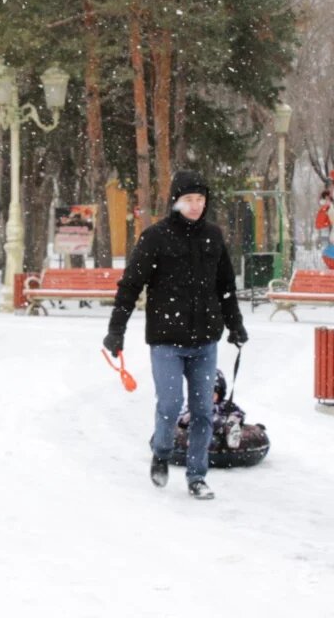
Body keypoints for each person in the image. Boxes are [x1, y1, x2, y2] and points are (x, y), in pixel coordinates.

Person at [103, 170, 248, 500]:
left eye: (200, 200)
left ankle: (197, 476)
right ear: (176, 202)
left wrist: (235, 325)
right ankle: (162, 452)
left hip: (205, 341)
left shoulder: (213, 236)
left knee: (202, 412)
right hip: (167, 340)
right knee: (169, 406)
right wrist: (116, 329)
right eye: (189, 200)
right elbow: (130, 285)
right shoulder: (156, 237)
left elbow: (225, 287)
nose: (196, 206)